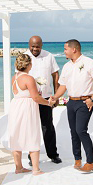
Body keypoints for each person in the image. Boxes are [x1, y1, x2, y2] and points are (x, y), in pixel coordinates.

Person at [51, 39, 93, 173]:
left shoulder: (90, 63)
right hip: (71, 102)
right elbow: (63, 85)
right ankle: (77, 159)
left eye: (65, 49)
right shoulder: (67, 66)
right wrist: (55, 97)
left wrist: (92, 99)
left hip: (84, 102)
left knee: (81, 130)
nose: (64, 51)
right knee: (74, 132)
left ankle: (91, 162)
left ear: (73, 49)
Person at [9, 54, 52, 175]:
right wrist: (48, 103)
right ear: (29, 65)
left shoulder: (14, 77)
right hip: (27, 108)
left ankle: (18, 168)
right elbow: (36, 98)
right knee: (32, 134)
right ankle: (36, 169)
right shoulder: (29, 78)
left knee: (16, 135)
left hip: (16, 107)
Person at [26, 35, 61, 164]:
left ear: (42, 45)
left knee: (48, 127)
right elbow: (19, 76)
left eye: (37, 46)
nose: (35, 49)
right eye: (32, 46)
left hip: (46, 98)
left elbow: (55, 74)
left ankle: (53, 154)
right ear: (29, 45)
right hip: (30, 99)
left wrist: (57, 95)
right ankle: (32, 157)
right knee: (32, 128)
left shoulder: (49, 56)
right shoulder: (24, 56)